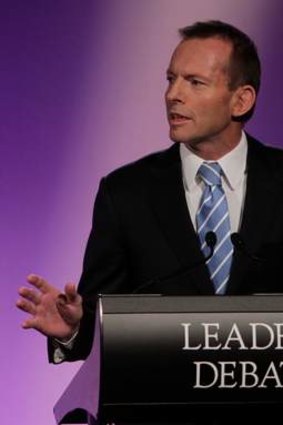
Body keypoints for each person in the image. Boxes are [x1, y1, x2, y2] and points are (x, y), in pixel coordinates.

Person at [16, 20, 283, 417]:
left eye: (194, 82)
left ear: (240, 101)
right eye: (170, 79)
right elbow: (104, 315)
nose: (173, 95)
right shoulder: (126, 192)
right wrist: (74, 327)